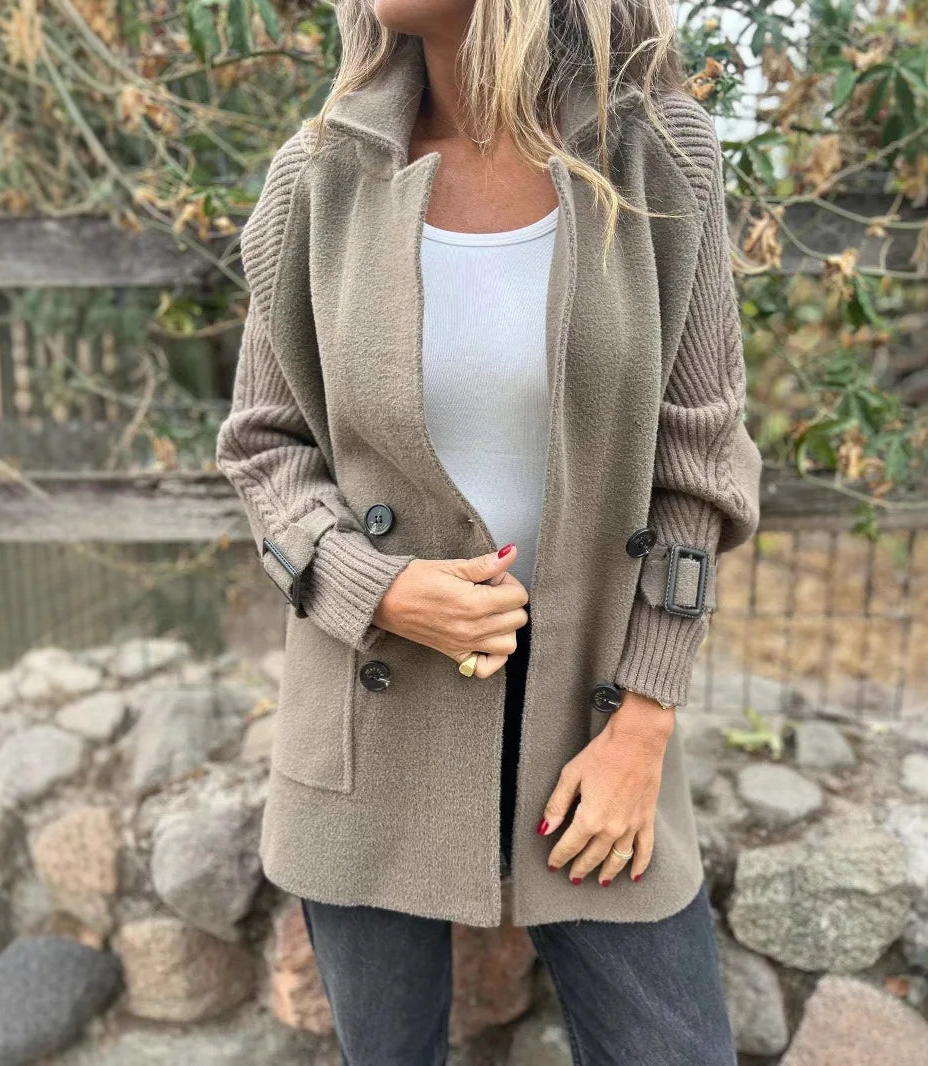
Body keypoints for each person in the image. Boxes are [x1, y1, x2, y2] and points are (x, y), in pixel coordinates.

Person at [216, 3, 762, 1063]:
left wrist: (644, 722)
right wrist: (372, 586)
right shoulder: (318, 173)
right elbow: (264, 444)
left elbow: (697, 458)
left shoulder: (659, 153)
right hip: (369, 725)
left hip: (593, 717)